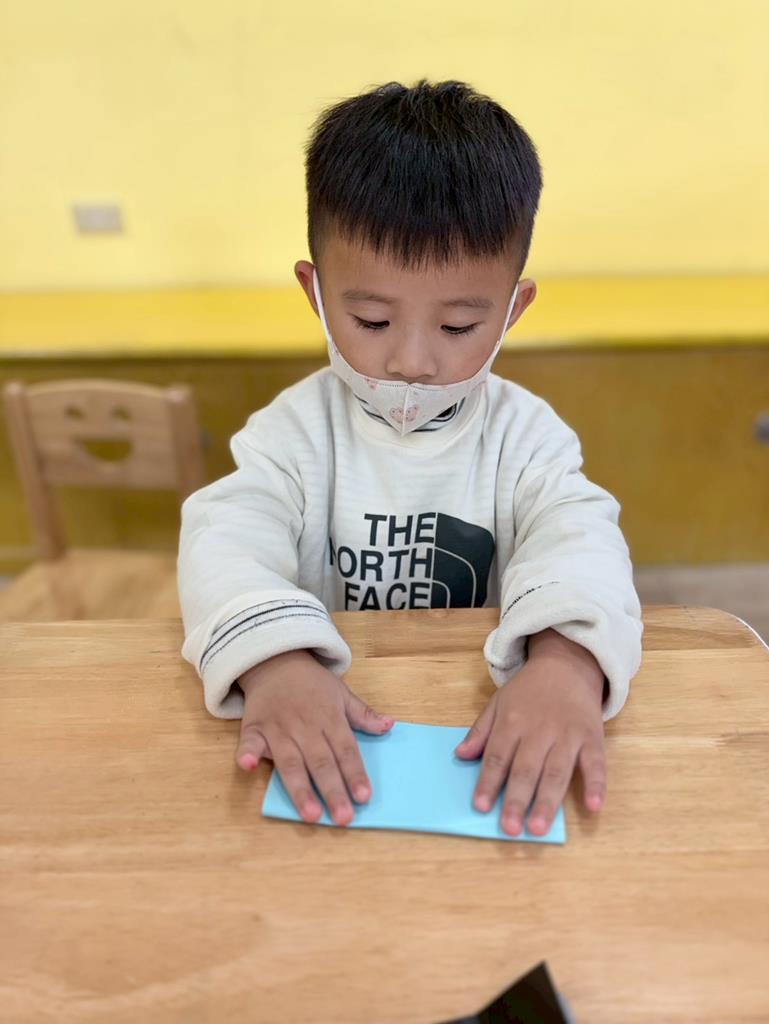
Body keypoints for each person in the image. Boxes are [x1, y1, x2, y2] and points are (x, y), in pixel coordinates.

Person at [178, 78, 643, 838]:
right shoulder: (292, 434)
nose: (412, 362)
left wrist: (565, 664)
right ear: (316, 293)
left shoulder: (526, 437)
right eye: (371, 319)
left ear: (513, 309)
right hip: (330, 730)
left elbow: (579, 536)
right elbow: (224, 541)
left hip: (475, 735)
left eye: (458, 326)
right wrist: (274, 662)